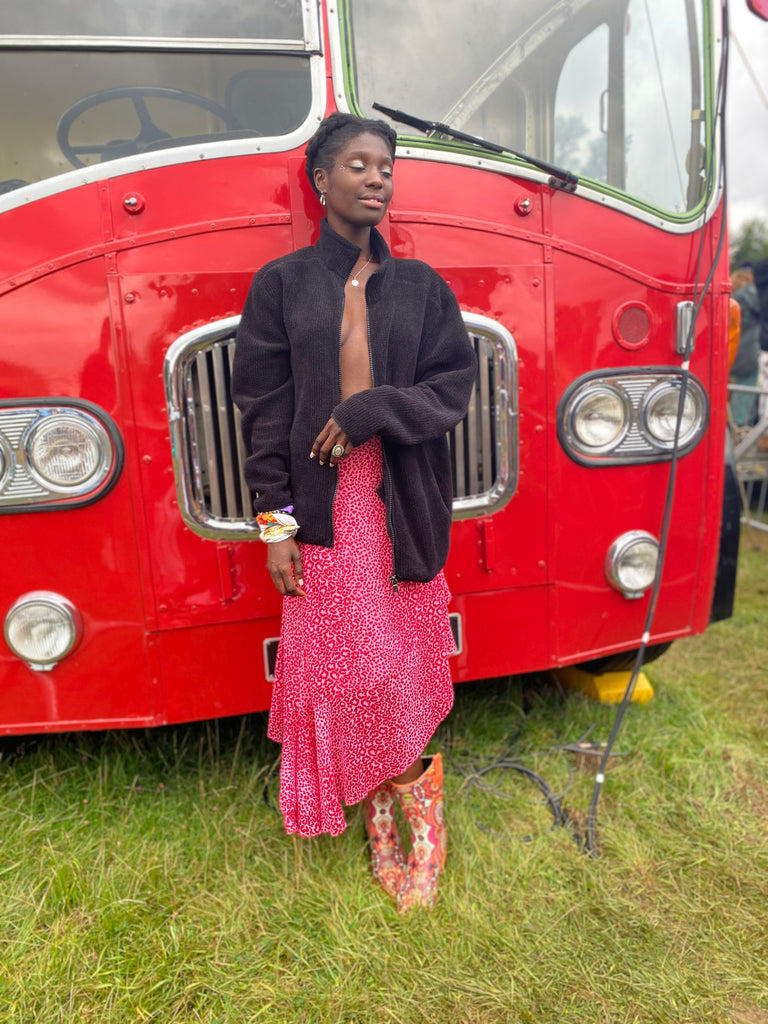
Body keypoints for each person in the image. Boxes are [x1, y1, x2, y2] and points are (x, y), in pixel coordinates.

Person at [231, 113, 476, 913]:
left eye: (387, 168)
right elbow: (263, 414)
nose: (378, 178)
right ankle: (383, 833)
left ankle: (423, 848)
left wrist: (373, 407)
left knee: (399, 672)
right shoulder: (280, 284)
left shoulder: (424, 289)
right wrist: (275, 527)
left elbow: (450, 392)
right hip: (320, 511)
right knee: (353, 674)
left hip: (401, 503)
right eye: (360, 166)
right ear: (321, 181)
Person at [729, 266, 762, 427]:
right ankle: (743, 427)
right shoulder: (752, 293)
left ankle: (736, 424)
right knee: (747, 390)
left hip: (734, 351)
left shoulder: (732, 296)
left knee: (737, 390)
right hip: (750, 352)